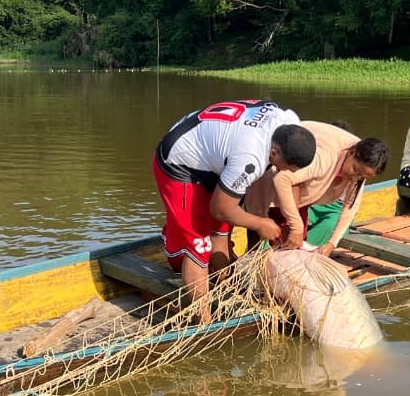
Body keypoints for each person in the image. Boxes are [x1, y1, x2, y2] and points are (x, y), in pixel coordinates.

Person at [153, 99, 316, 301]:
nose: (286, 172)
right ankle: (203, 320)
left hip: (211, 153)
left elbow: (223, 215)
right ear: (274, 152)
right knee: (199, 247)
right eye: (287, 166)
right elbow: (219, 209)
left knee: (220, 231)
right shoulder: (251, 158)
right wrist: (260, 224)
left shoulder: (288, 120)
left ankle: (227, 288)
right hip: (179, 162)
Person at [244, 121, 389, 258]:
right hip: (269, 179)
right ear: (352, 153)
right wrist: (296, 226)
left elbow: (351, 207)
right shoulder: (325, 156)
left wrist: (332, 243)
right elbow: (282, 179)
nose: (355, 178)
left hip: (299, 194)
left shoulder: (362, 166)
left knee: (294, 245)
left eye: (363, 177)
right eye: (356, 171)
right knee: (261, 243)